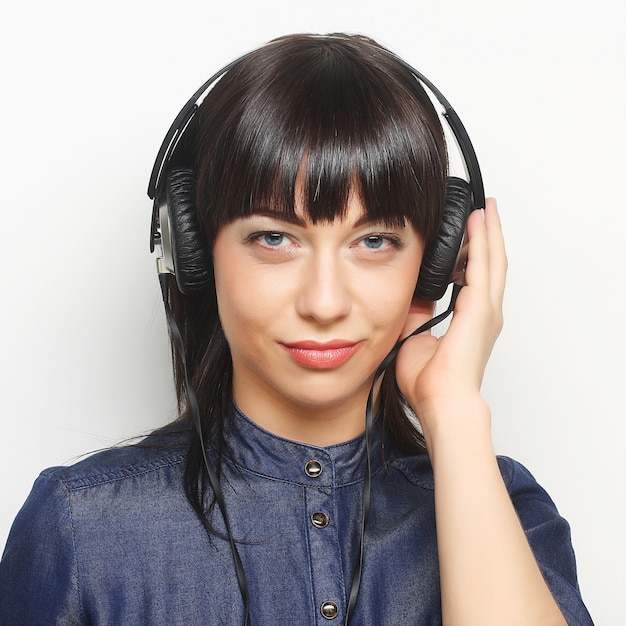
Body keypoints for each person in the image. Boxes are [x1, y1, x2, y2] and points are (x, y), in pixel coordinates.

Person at [0, 33, 593, 625]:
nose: (325, 302)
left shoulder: (504, 507)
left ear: (434, 262)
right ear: (196, 254)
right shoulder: (83, 529)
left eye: (375, 241)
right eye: (275, 238)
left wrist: (453, 408)